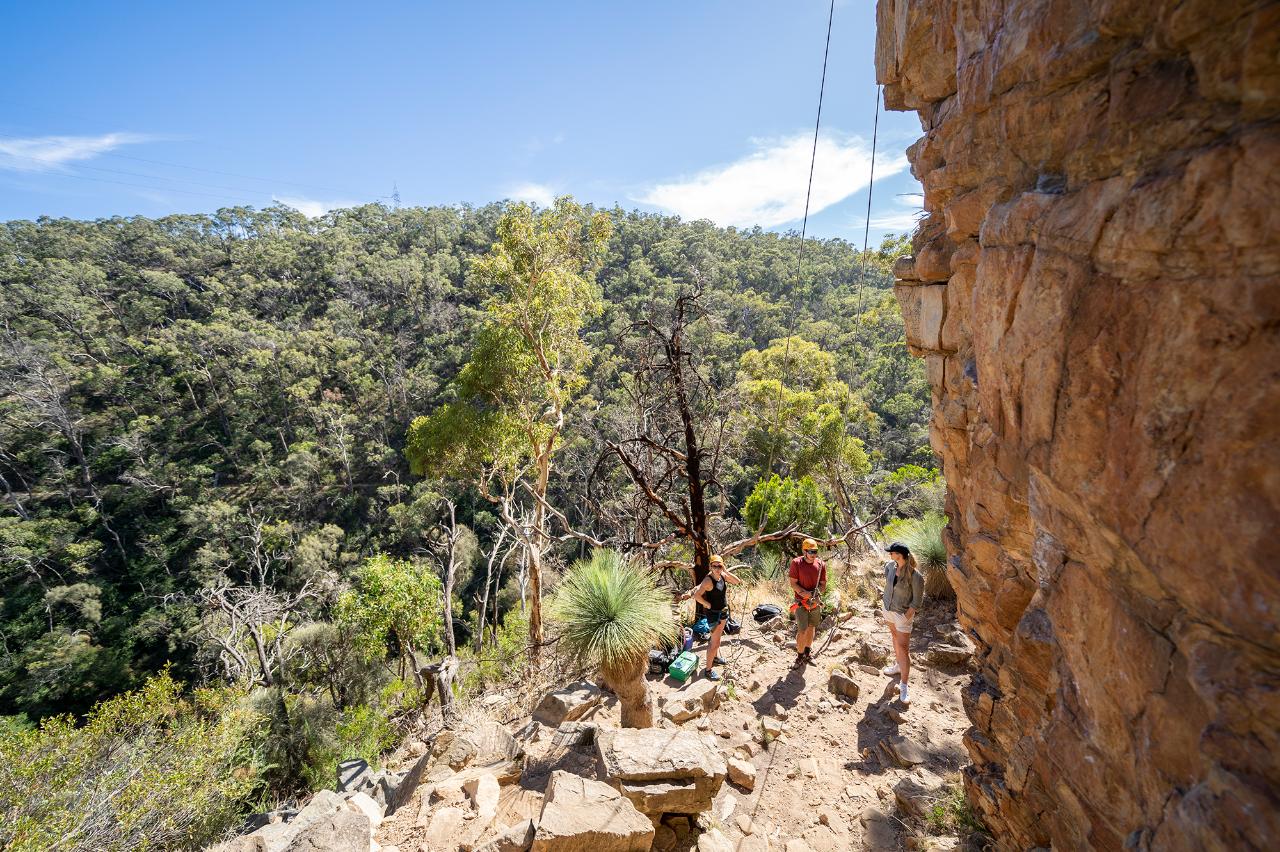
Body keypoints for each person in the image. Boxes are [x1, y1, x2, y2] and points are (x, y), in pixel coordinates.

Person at [881, 541, 925, 704]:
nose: (889, 555)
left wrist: (906, 616)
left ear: (899, 554)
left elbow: (917, 601)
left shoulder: (915, 576)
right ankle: (898, 666)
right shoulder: (889, 567)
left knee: (903, 648)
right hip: (888, 609)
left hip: (902, 615)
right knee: (894, 637)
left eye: (891, 552)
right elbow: (888, 585)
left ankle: (904, 685)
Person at [692, 554, 741, 680]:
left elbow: (737, 581)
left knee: (717, 639)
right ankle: (708, 670)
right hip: (714, 614)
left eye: (719, 566)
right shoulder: (708, 580)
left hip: (723, 612)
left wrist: (725, 570)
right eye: (715, 566)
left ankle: (715, 658)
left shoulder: (722, 576)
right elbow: (696, 595)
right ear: (710, 566)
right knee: (714, 642)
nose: (717, 568)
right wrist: (706, 604)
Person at [788, 538, 827, 668]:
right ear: (804, 551)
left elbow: (822, 585)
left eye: (815, 551)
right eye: (810, 551)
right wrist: (806, 594)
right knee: (802, 630)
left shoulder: (821, 564)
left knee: (811, 627)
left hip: (815, 601)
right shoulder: (796, 563)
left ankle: (807, 653)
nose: (813, 554)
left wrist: (817, 594)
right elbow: (793, 583)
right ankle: (799, 656)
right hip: (801, 601)